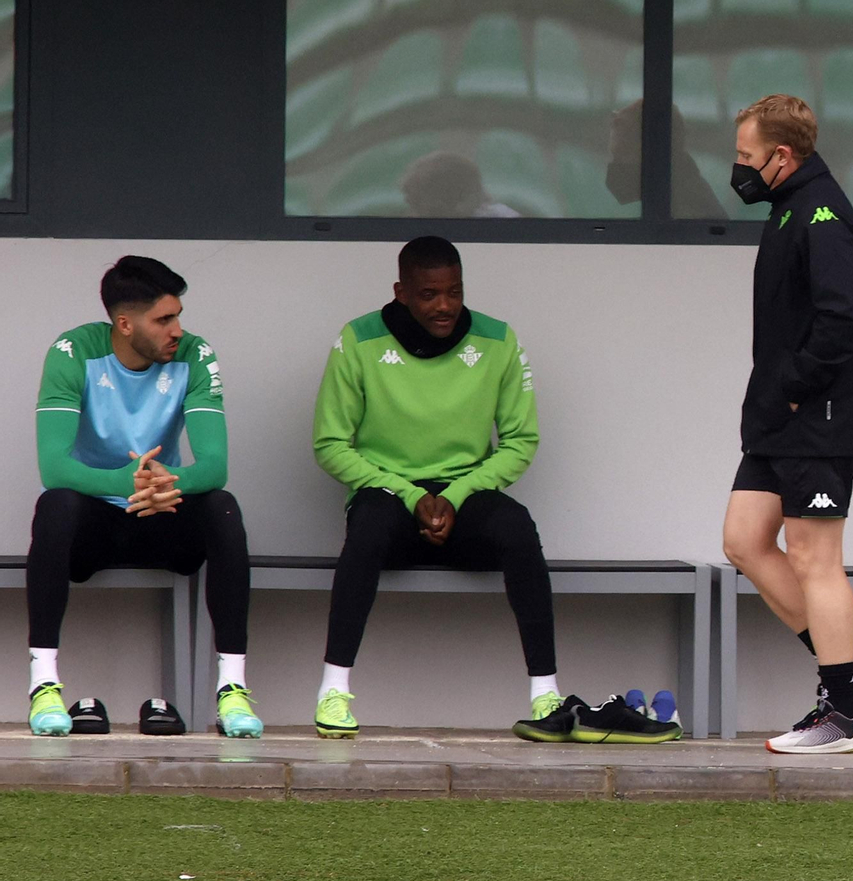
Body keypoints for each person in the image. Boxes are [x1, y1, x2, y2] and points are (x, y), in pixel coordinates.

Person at [310, 236, 560, 738]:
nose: (444, 305)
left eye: (454, 292)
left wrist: (454, 495)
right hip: (389, 495)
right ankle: (333, 691)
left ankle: (546, 695)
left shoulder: (498, 340)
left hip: (463, 495)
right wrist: (410, 495)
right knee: (367, 527)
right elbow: (330, 444)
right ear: (401, 292)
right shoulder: (357, 340)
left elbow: (521, 441)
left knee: (517, 527)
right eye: (428, 294)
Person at [28, 255, 261, 737]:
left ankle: (233, 690)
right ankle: (43, 684)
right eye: (163, 320)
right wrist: (125, 483)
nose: (177, 330)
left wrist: (166, 483)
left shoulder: (196, 354)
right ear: (125, 323)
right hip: (96, 525)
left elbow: (214, 466)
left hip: (161, 516)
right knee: (55, 505)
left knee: (222, 506)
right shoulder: (73, 351)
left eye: (178, 316)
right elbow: (54, 468)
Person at [718, 94, 853, 754]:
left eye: (746, 156)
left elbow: (844, 318)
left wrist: (792, 389)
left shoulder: (822, 216)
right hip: (779, 420)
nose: (739, 168)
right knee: (743, 539)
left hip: (817, 419)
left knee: (816, 558)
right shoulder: (790, 207)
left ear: (782, 156)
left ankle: (842, 713)